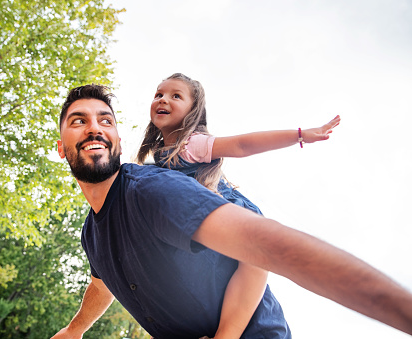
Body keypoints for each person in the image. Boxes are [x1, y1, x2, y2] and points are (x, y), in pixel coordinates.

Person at [52, 84, 412, 339]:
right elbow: (102, 284)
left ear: (116, 138)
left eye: (105, 119)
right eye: (79, 121)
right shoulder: (93, 233)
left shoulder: (154, 187)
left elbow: (269, 247)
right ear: (60, 147)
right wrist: (75, 329)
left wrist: (401, 310)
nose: (95, 127)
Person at [136, 73, 340, 338]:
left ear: (193, 111)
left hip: (237, 222)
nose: (163, 99)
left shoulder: (190, 144)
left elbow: (243, 145)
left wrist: (300, 135)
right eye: (159, 94)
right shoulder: (159, 158)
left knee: (255, 271)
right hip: (213, 242)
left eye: (176, 96)